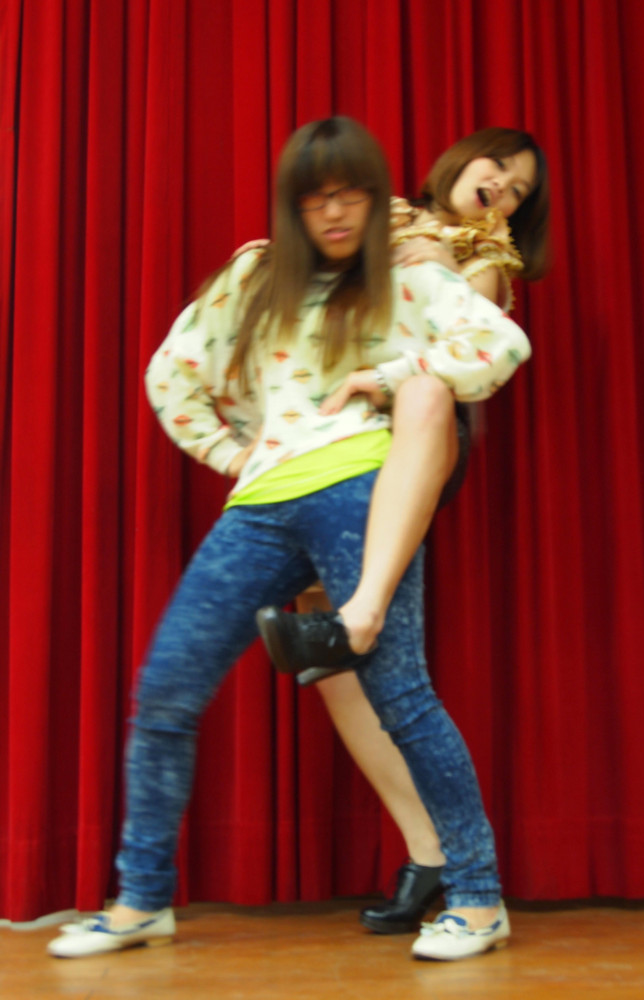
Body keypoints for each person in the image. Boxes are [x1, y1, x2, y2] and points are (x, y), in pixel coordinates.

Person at [46, 115, 531, 962]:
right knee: (165, 691)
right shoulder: (256, 273)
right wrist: (233, 454)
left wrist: (390, 375)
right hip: (260, 504)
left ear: (376, 199)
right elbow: (171, 373)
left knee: (400, 694)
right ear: (292, 205)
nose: (335, 213)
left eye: (351, 195)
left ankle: (479, 900)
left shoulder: (409, 272)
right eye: (316, 198)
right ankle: (140, 901)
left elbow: (500, 342)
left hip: (361, 490)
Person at [256, 128, 550, 933]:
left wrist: (448, 262)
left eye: (519, 191)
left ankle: (451, 864)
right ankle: (427, 848)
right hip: (328, 434)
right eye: (498, 168)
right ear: (464, 159)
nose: (502, 188)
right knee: (334, 655)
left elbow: (462, 347)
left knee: (372, 649)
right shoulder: (377, 211)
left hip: (407, 436)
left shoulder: (485, 260)